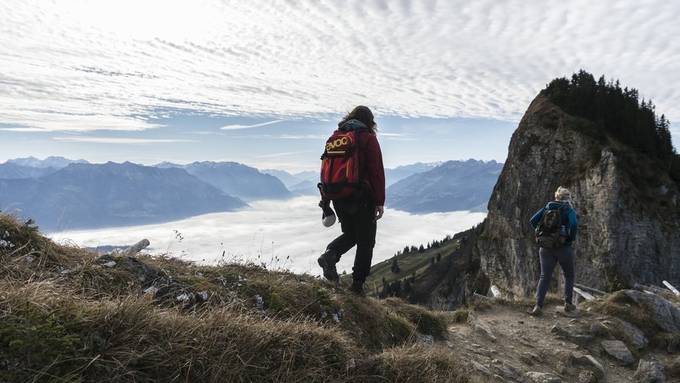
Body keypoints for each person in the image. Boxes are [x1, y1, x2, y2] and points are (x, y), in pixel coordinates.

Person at [317, 105, 385, 296]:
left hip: (337, 195)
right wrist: (379, 201)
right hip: (361, 197)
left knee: (351, 234)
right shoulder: (367, 139)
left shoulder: (335, 138)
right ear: (370, 122)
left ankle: (330, 255)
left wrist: (326, 200)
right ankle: (357, 286)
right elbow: (376, 171)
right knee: (366, 241)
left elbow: (326, 170)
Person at [528, 186, 578, 315]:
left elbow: (532, 221)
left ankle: (538, 306)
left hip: (545, 247)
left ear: (556, 196)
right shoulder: (568, 209)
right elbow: (573, 224)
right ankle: (568, 303)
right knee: (569, 275)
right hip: (563, 248)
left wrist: (540, 233)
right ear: (568, 198)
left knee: (544, 276)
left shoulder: (548, 207)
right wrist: (569, 239)